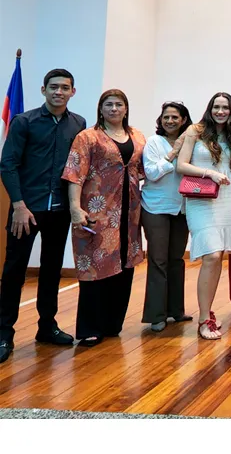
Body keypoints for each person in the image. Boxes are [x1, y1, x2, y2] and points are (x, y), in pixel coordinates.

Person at [0, 69, 86, 363]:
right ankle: (4, 334)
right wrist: (18, 205)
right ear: (43, 90)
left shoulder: (78, 124)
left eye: (64, 87)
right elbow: (8, 164)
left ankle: (47, 327)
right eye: (53, 87)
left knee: (51, 270)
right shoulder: (24, 122)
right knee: (14, 271)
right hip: (26, 210)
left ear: (73, 92)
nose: (58, 92)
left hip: (59, 211)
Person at [63, 89, 147, 347]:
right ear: (100, 108)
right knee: (94, 265)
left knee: (124, 263)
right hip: (97, 210)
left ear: (126, 108)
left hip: (129, 211)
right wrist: (75, 208)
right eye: (108, 104)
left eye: (118, 104)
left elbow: (146, 170)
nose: (113, 109)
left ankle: (112, 323)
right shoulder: (88, 137)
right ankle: (90, 327)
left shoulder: (137, 136)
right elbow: (74, 174)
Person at [177, 92, 231, 340]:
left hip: (226, 199)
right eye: (216, 106)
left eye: (225, 107)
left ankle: (208, 312)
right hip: (201, 199)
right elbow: (181, 165)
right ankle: (204, 319)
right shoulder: (195, 131)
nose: (220, 111)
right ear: (210, 108)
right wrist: (210, 174)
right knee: (212, 255)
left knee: (218, 258)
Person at [140, 101, 194, 332]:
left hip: (182, 208)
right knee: (158, 260)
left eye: (175, 117)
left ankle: (176, 310)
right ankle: (156, 315)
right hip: (156, 208)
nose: (170, 121)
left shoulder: (191, 142)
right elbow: (152, 174)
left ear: (183, 120)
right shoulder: (154, 142)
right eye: (166, 117)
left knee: (176, 260)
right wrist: (173, 153)